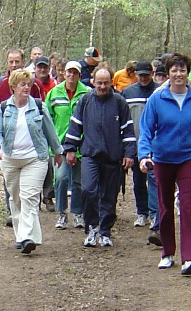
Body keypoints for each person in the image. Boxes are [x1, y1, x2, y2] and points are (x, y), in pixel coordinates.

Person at [138, 53, 191, 276]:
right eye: (174, 70)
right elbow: (146, 130)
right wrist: (144, 155)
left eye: (183, 70)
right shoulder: (157, 99)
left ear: (187, 73)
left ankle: (190, 257)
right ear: (168, 73)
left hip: (189, 158)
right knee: (164, 207)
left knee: (188, 205)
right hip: (162, 158)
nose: (179, 74)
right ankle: (168, 253)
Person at [0, 68, 63, 254]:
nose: (26, 87)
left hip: (35, 158)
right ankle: (24, 235)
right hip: (10, 159)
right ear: (13, 86)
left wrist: (57, 152)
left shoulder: (38, 106)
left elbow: (50, 131)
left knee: (29, 197)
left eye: (29, 84)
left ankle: (26, 237)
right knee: (16, 198)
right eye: (22, 84)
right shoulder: (4, 108)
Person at [64, 66, 136, 247]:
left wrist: (129, 153)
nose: (102, 86)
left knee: (109, 196)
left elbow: (128, 130)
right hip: (90, 155)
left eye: (106, 83)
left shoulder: (119, 102)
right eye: (99, 83)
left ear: (111, 82)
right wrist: (70, 149)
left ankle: (105, 232)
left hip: (113, 157)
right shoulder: (85, 101)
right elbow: (75, 126)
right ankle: (92, 228)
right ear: (92, 82)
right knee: (88, 190)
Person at [0, 49, 46, 226]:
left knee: (30, 181)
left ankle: (31, 209)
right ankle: (12, 212)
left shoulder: (34, 84)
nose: (14, 65)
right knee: (11, 180)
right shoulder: (0, 83)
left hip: (31, 140)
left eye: (17, 61)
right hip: (7, 138)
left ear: (23, 61)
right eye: (10, 62)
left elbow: (43, 112)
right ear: (6, 63)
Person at [45, 61, 91, 230]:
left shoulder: (87, 93)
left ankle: (78, 213)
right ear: (63, 74)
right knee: (61, 178)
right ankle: (61, 213)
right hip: (59, 145)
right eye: (68, 72)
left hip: (82, 145)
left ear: (79, 75)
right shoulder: (54, 93)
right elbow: (47, 119)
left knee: (78, 181)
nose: (71, 75)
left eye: (75, 73)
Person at [121, 61, 162, 246]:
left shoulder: (160, 91)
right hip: (136, 144)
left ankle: (155, 215)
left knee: (155, 181)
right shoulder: (128, 93)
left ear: (152, 73)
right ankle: (142, 212)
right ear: (135, 74)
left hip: (157, 146)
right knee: (138, 181)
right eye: (140, 75)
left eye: (147, 74)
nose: (144, 78)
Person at [35, 56, 58, 212]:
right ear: (35, 68)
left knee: (49, 164)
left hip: (50, 126)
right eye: (39, 67)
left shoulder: (54, 85)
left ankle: (48, 196)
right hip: (33, 127)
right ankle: (35, 198)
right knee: (35, 164)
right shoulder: (30, 83)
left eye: (45, 67)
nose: (42, 70)